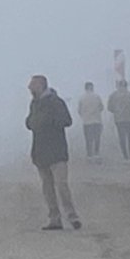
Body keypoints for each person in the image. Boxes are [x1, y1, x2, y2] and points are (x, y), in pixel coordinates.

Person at [25, 75, 82, 230]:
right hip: (40, 152)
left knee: (61, 185)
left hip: (57, 152)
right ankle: (54, 219)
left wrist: (47, 122)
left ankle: (72, 217)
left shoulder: (56, 102)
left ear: (41, 85)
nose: (29, 88)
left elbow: (67, 121)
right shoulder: (34, 104)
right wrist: (31, 122)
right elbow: (30, 122)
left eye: (32, 85)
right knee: (47, 188)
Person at [108, 80, 130, 160]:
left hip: (118, 119)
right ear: (126, 86)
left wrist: (116, 112)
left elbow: (109, 107)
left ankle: (125, 155)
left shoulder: (113, 95)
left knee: (122, 138)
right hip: (128, 118)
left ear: (118, 86)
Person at [77, 82, 104, 159]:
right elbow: (101, 107)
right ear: (92, 88)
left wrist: (84, 115)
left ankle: (89, 155)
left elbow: (79, 110)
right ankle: (96, 153)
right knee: (97, 138)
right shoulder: (97, 96)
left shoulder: (82, 98)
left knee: (88, 139)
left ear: (85, 88)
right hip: (97, 121)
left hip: (87, 122)